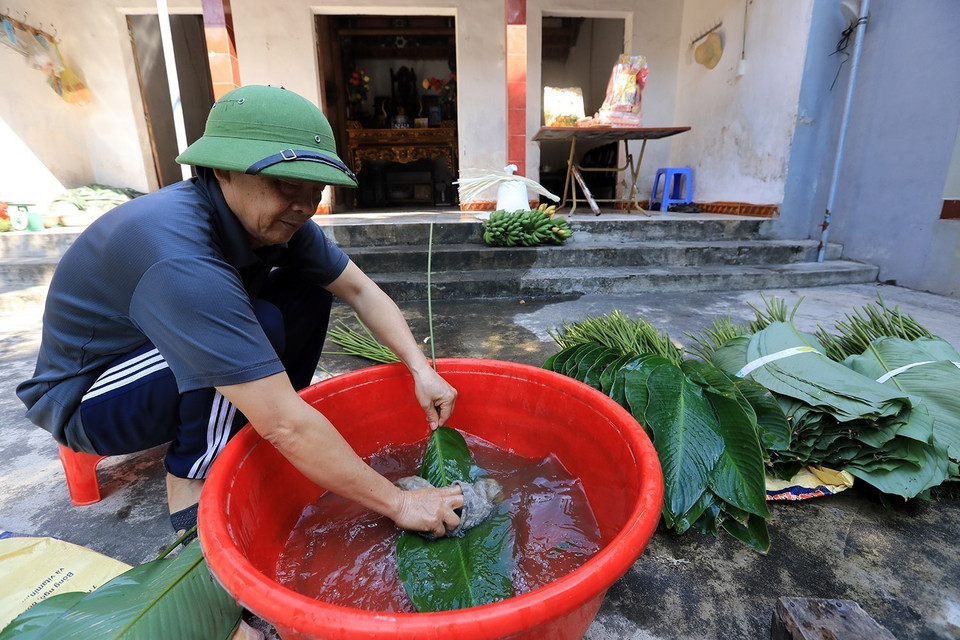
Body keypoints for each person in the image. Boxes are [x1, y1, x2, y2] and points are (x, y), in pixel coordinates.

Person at [16, 85, 464, 543]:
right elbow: (284, 423)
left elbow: (359, 289)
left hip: (152, 356)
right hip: (87, 398)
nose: (304, 206)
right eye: (287, 185)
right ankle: (192, 482)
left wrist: (419, 369)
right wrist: (401, 502)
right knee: (257, 335)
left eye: (316, 190)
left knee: (306, 289)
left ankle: (259, 411)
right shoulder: (177, 253)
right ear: (221, 172)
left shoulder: (282, 222)